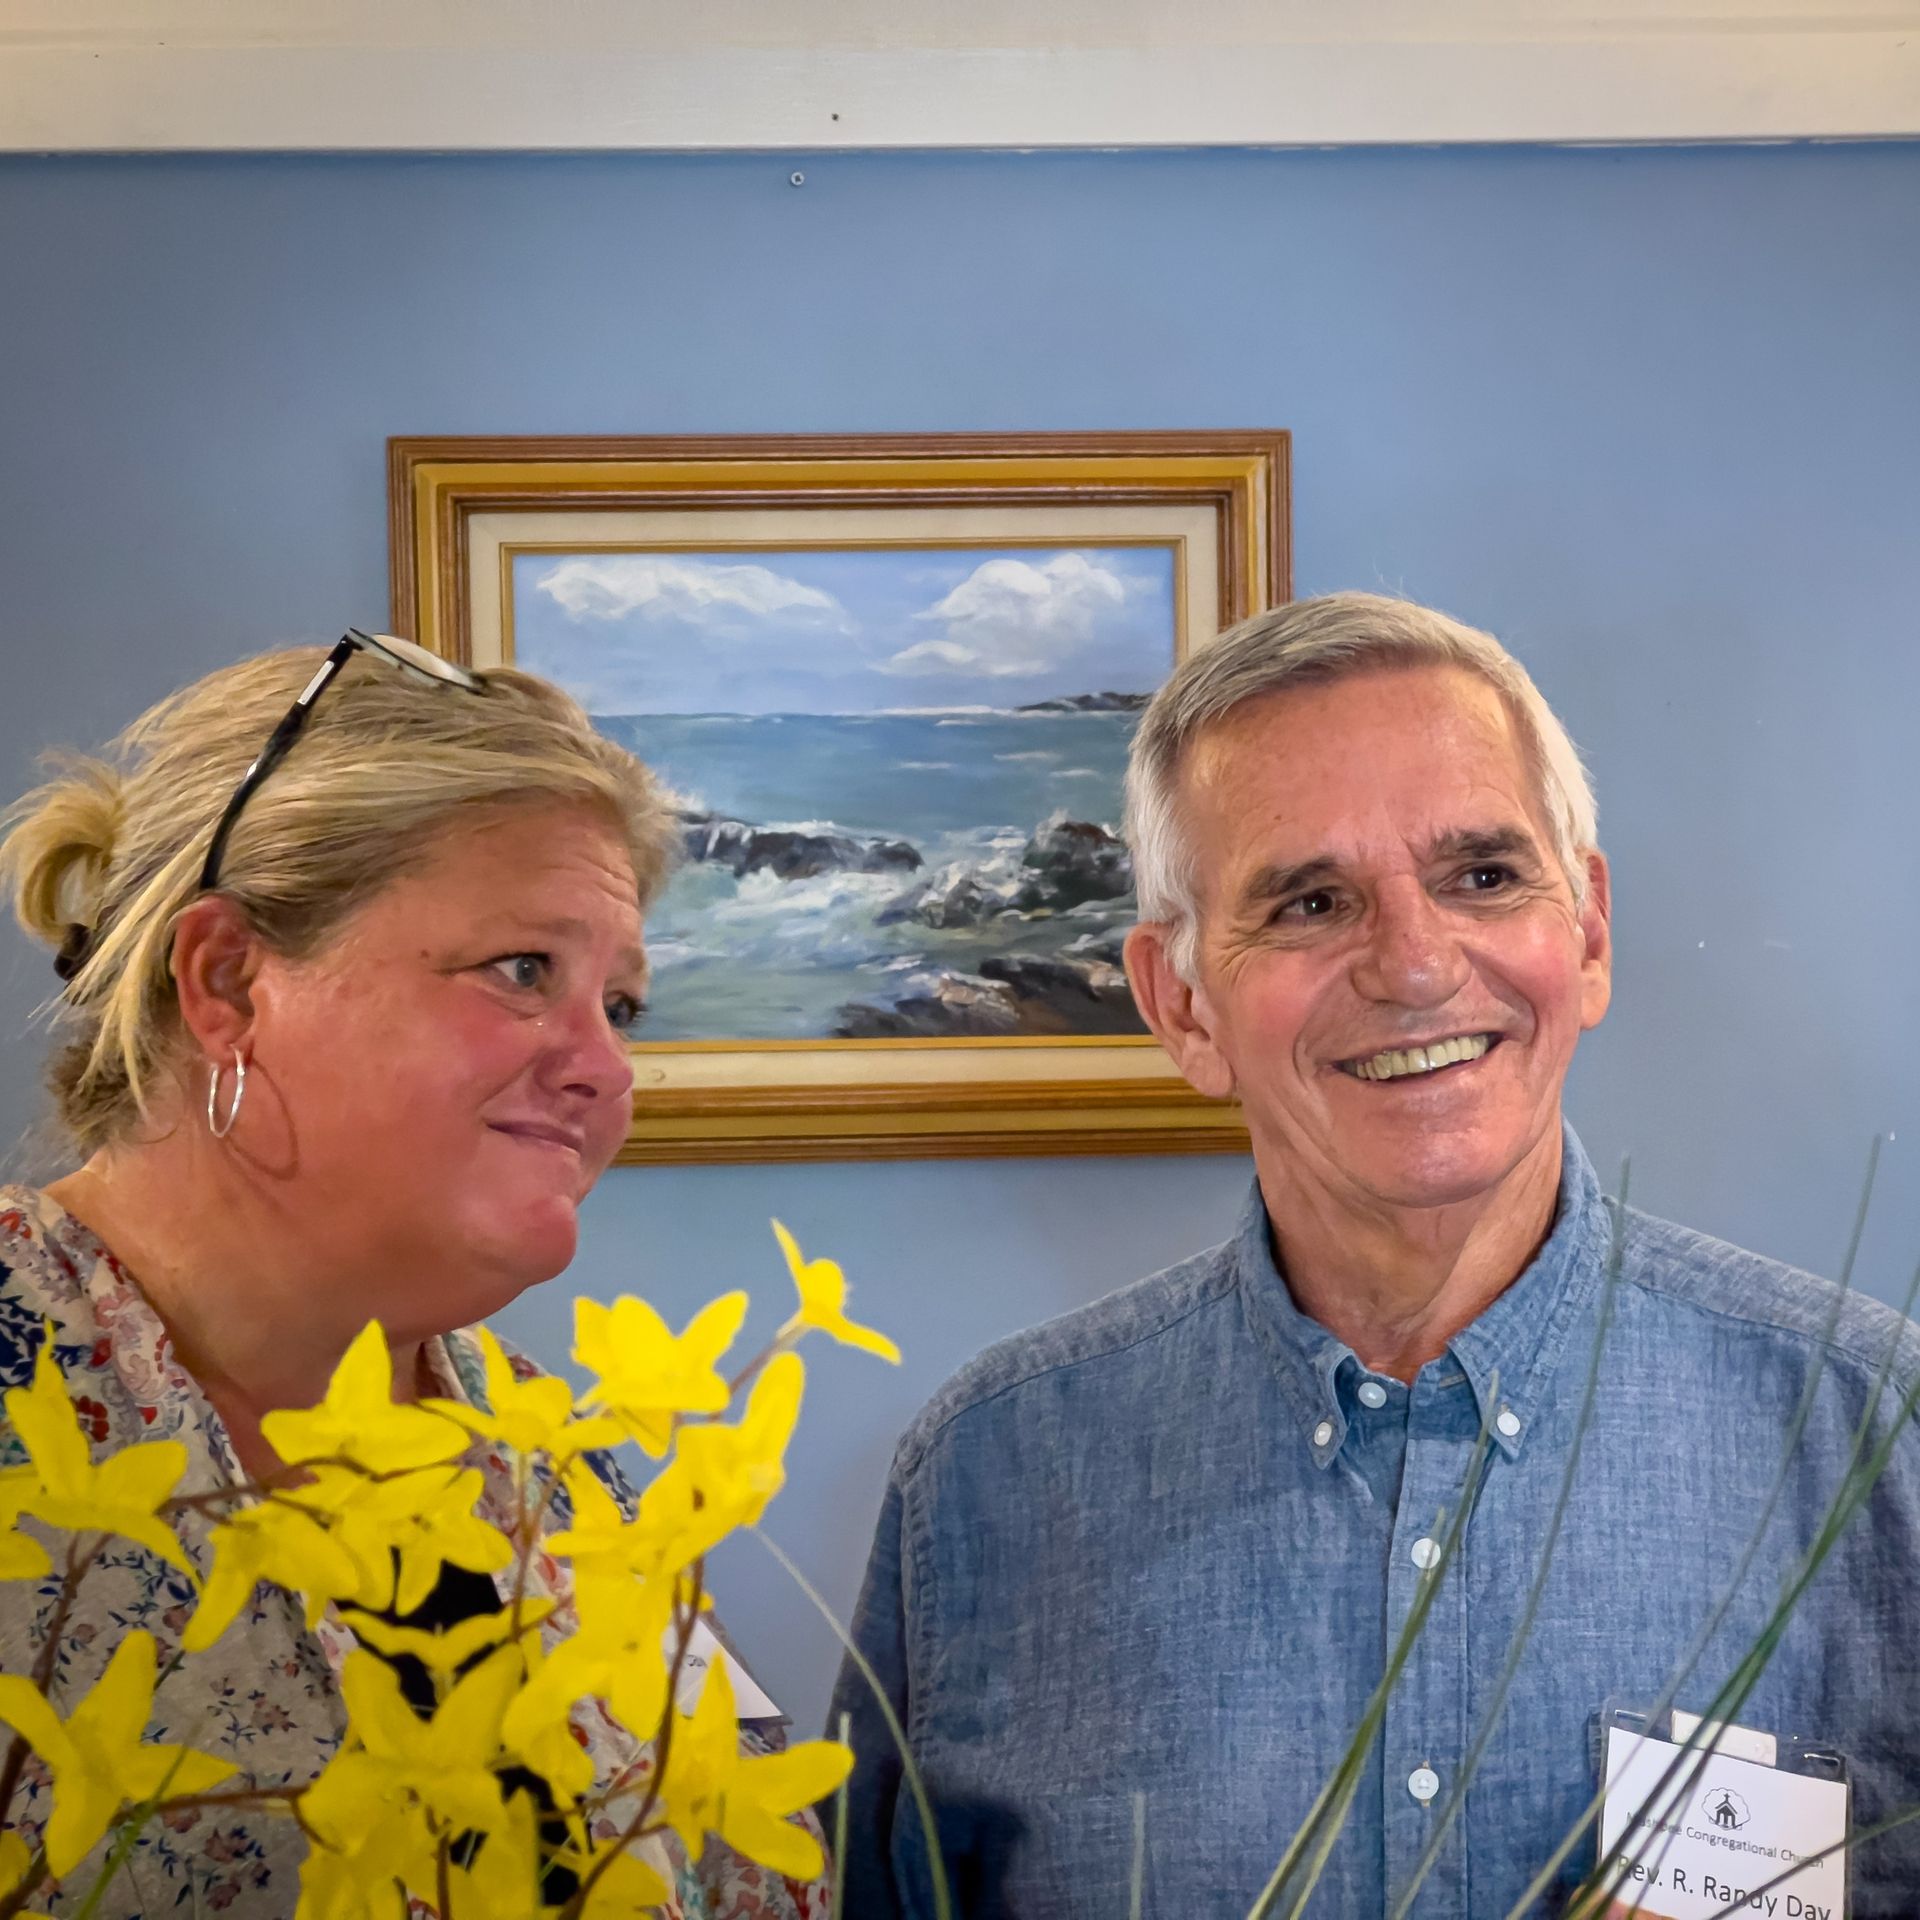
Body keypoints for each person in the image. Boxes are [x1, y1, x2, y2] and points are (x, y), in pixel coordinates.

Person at [831, 593, 1920, 1917]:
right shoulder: (983, 1481)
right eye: (1308, 902)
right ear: (1182, 1005)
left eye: (1482, 875)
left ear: (1586, 932)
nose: (1413, 965)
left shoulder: (1874, 1435)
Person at [0, 633, 829, 1917]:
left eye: (623, 1006)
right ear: (227, 981)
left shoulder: (567, 1477)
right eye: (523, 972)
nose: (607, 1071)